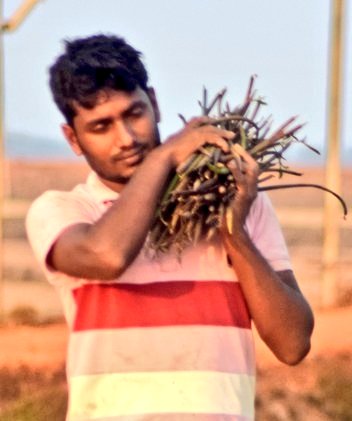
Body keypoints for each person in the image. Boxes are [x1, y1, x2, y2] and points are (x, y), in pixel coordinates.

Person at [26, 34, 314, 421]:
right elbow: (107, 256)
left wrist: (234, 233)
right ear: (72, 139)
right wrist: (164, 157)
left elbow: (293, 345)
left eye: (134, 114)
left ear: (156, 104)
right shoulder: (64, 210)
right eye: (100, 127)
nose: (126, 138)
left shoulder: (241, 206)